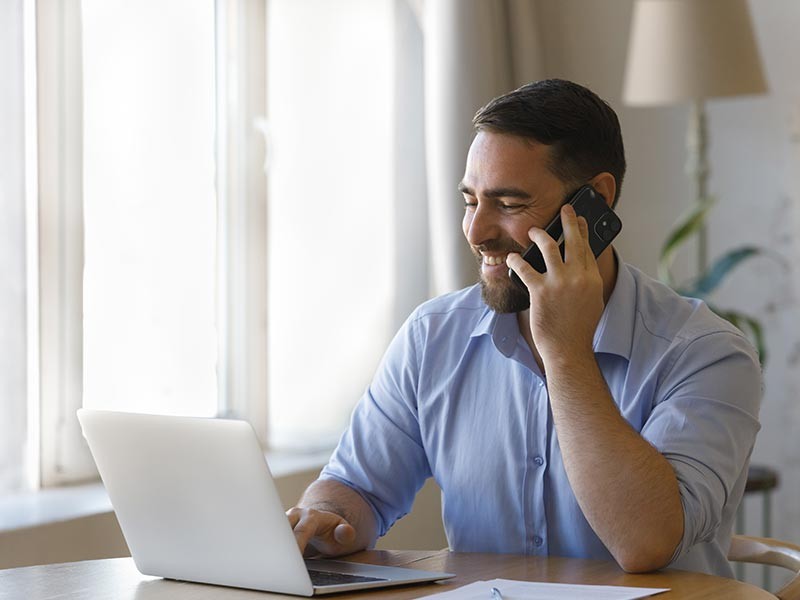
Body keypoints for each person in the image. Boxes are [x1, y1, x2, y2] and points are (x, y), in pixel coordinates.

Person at [286, 79, 761, 576]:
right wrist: (325, 518)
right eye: (471, 201)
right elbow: (357, 487)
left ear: (595, 201)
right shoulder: (433, 337)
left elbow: (644, 542)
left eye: (509, 204)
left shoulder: (706, 354)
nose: (476, 232)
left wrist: (565, 352)